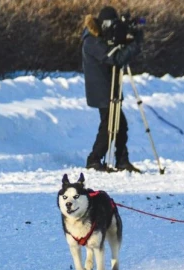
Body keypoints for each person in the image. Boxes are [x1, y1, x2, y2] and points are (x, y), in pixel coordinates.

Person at [81, 6, 143, 172]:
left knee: (120, 125)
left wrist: (127, 40)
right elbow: (115, 58)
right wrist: (134, 46)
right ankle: (94, 159)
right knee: (109, 126)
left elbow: (115, 52)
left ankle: (122, 160)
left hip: (111, 88)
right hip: (102, 90)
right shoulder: (92, 40)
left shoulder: (101, 37)